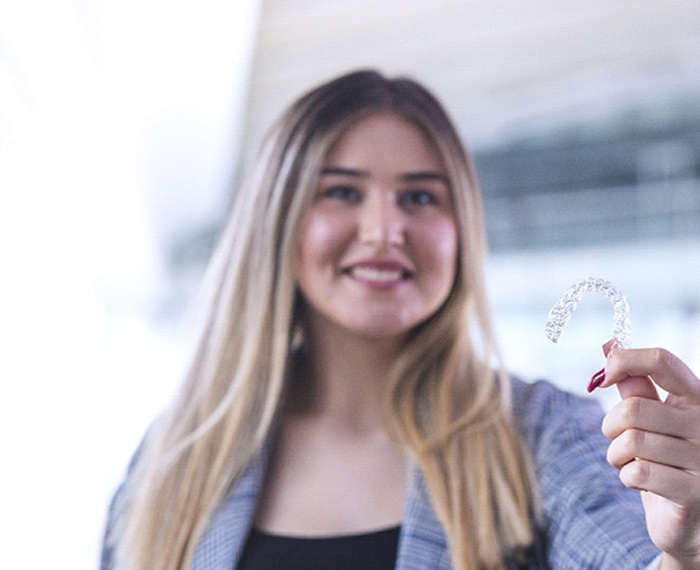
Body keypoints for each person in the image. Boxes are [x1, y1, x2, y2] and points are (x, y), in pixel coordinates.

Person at [101, 70, 700, 570]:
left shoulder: (542, 434)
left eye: (419, 197)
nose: (385, 230)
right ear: (276, 223)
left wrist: (686, 549)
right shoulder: (173, 458)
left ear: (461, 232)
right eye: (341, 192)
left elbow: (624, 554)